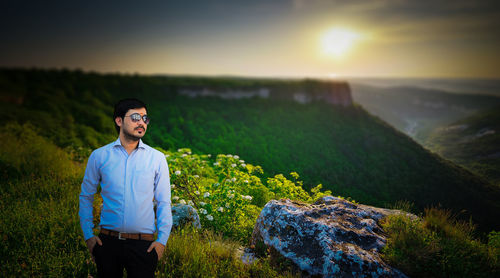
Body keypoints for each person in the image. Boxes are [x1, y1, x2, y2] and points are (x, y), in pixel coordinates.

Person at [79, 98, 172, 277]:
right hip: (107, 243)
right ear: (119, 120)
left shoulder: (157, 158)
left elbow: (164, 202)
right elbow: (86, 197)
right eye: (136, 117)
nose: (142, 123)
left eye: (145, 118)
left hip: (143, 246)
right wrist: (88, 235)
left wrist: (162, 241)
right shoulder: (99, 156)